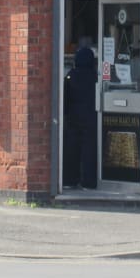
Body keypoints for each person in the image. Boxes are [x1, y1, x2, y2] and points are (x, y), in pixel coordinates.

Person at [63, 47, 98, 189]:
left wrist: (65, 113)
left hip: (73, 116)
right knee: (89, 150)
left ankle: (70, 180)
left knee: (72, 149)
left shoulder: (71, 76)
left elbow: (65, 97)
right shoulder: (95, 76)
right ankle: (89, 182)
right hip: (91, 116)